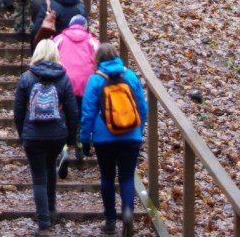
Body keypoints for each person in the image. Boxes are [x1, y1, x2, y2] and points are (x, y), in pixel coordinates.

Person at [80, 44, 149, 236]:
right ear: (117, 57)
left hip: (104, 138)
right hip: (131, 136)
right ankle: (128, 211)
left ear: (98, 60)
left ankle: (110, 220)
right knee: (127, 176)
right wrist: (139, 130)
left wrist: (85, 139)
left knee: (107, 177)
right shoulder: (131, 76)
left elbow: (88, 112)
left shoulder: (95, 80)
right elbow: (142, 107)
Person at [13, 39, 79, 236]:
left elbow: (17, 111)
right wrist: (71, 139)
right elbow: (72, 111)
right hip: (56, 135)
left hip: (33, 136)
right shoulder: (63, 78)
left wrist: (22, 134)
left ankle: (44, 225)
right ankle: (51, 209)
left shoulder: (26, 78)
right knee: (50, 167)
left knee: (39, 178)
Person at [53, 15, 100, 162]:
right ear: (85, 27)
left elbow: (50, 57)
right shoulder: (92, 41)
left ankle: (64, 146)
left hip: (63, 83)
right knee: (81, 113)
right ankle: (80, 141)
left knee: (63, 114)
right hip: (86, 85)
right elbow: (100, 60)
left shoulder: (60, 38)